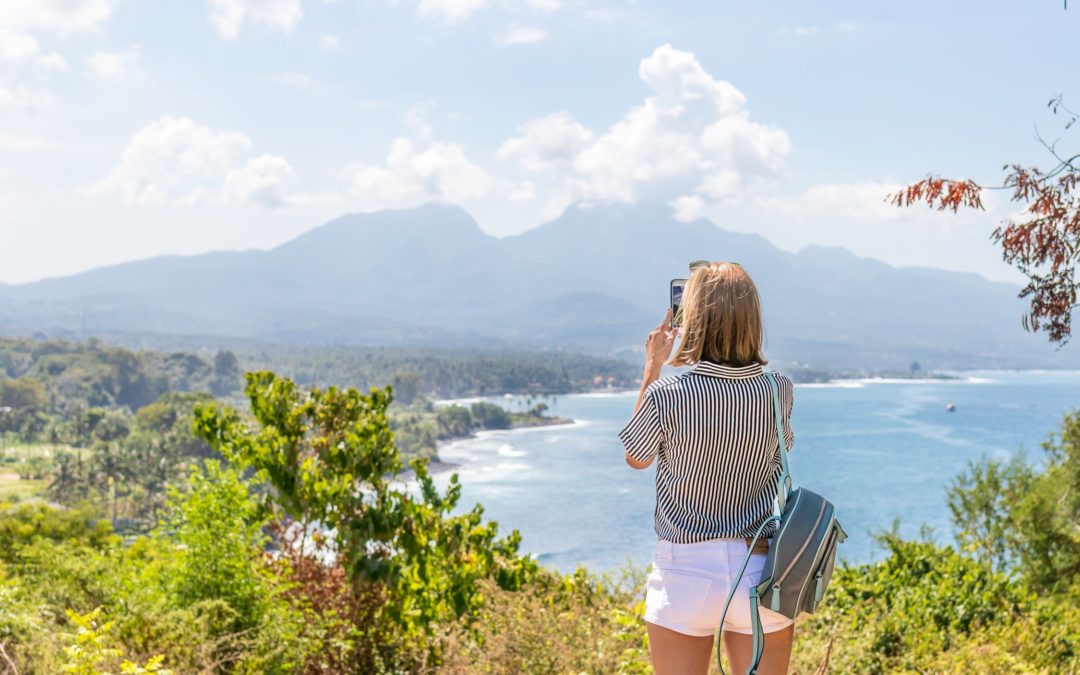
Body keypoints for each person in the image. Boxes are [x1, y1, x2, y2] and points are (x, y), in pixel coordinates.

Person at [619, 261, 795, 675]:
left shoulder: (670, 392)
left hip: (684, 571)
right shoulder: (778, 390)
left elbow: (637, 456)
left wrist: (652, 367)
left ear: (693, 318)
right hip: (759, 567)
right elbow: (781, 449)